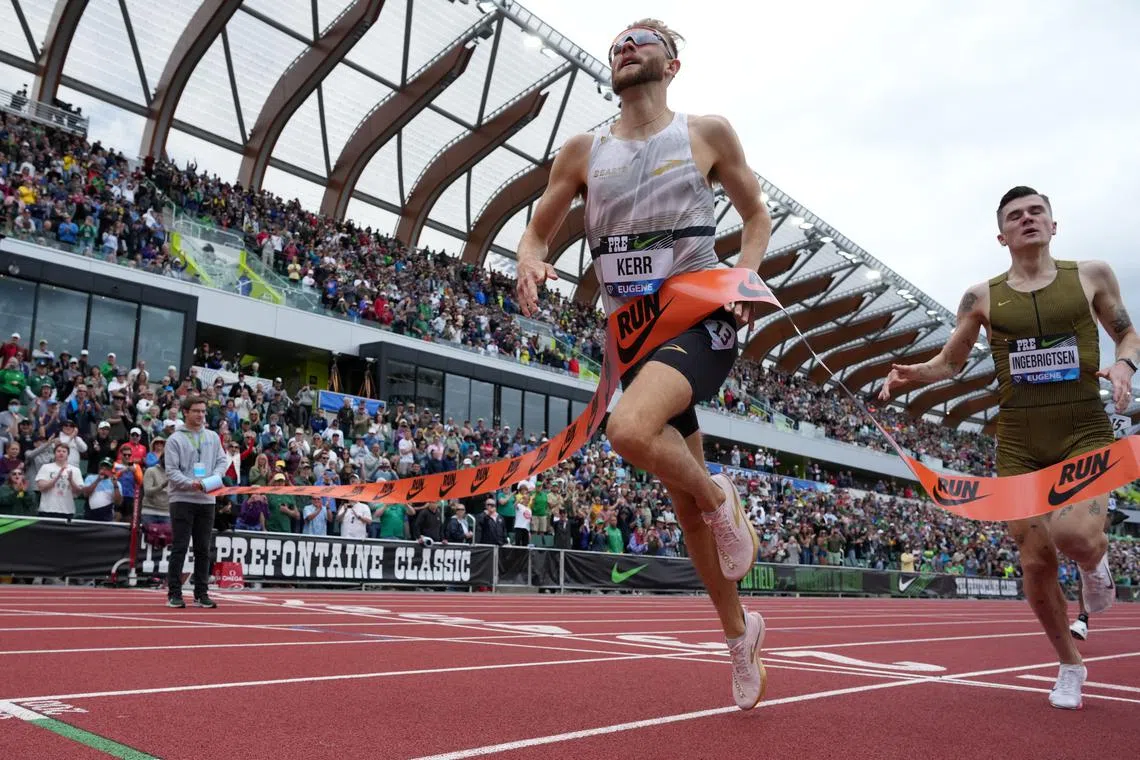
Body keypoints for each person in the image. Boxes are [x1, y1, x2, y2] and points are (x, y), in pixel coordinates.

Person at [513, 18, 772, 710]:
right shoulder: (581, 150)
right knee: (683, 508)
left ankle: (726, 503)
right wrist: (531, 255)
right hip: (632, 335)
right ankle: (739, 632)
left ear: (673, 65)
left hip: (699, 317)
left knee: (628, 430)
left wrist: (745, 278)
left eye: (643, 39)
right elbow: (538, 225)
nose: (626, 47)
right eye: (618, 43)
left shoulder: (705, 133)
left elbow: (756, 219)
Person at [880, 186, 1140, 709]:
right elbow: (950, 363)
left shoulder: (1091, 275)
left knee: (1075, 534)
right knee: (1035, 562)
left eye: (1036, 212)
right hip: (1018, 440)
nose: (1027, 220)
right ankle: (1070, 663)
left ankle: (1096, 568)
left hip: (1083, 428)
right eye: (1015, 216)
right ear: (1001, 235)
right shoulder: (981, 297)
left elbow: (1127, 334)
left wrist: (1124, 366)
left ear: (1053, 224)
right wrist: (913, 375)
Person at [164, 395, 227, 609]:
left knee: (203, 549)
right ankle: (174, 593)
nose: (200, 415)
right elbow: (171, 471)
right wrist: (192, 484)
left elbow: (221, 462)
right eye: (196, 411)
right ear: (185, 412)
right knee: (180, 547)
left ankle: (201, 593)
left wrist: (211, 481)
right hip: (182, 498)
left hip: (207, 500)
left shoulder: (212, 436)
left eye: (203, 411)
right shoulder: (175, 439)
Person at [35, 443, 84, 519]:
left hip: (67, 510)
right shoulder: (46, 467)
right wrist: (57, 477)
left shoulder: (75, 470)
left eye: (64, 451)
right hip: (47, 510)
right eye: (58, 451)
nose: (61, 453)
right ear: (54, 453)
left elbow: (78, 492)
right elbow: (41, 487)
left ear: (68, 454)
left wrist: (71, 481)